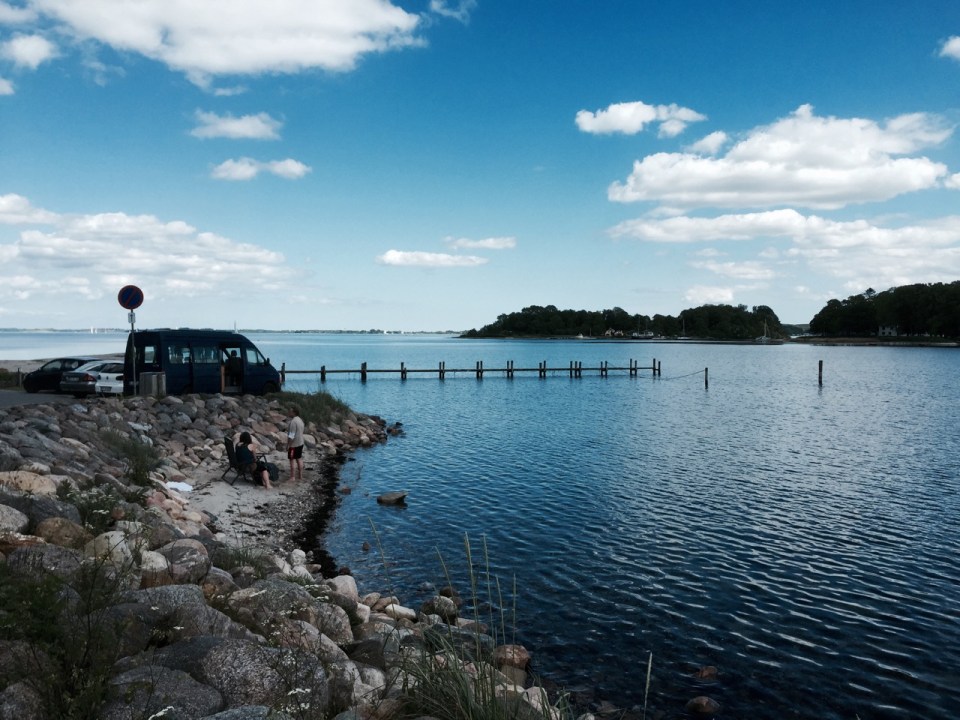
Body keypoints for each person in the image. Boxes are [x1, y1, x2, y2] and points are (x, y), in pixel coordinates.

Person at [286, 405, 304, 481]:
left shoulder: (293, 422)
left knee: (292, 459)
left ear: (294, 412)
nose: (289, 412)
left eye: (290, 411)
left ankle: (292, 477)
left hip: (294, 444)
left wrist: (288, 445)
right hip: (301, 442)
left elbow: (291, 435)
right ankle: (300, 476)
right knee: (299, 458)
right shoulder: (300, 420)